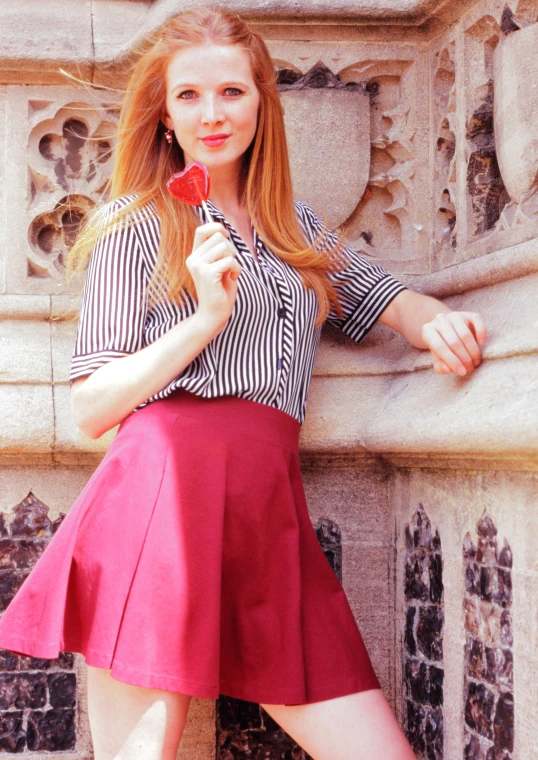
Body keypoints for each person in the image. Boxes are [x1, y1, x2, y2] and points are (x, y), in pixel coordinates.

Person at [0, 7, 486, 759]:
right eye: (188, 96)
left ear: (262, 102)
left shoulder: (293, 227)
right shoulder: (139, 224)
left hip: (267, 510)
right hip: (162, 499)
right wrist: (202, 320)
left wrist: (436, 322)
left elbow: (381, 297)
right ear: (163, 114)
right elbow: (92, 406)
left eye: (231, 92)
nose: (212, 114)